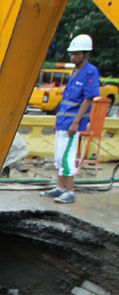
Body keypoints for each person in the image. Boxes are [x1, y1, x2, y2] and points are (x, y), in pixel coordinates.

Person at [41, 34, 99, 204]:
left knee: (67, 157)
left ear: (85, 54)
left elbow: (88, 99)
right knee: (58, 156)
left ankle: (70, 191)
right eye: (72, 54)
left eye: (77, 54)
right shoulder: (74, 72)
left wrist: (76, 122)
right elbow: (66, 100)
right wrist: (57, 122)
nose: (74, 57)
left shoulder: (90, 72)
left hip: (72, 123)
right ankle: (60, 187)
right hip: (62, 122)